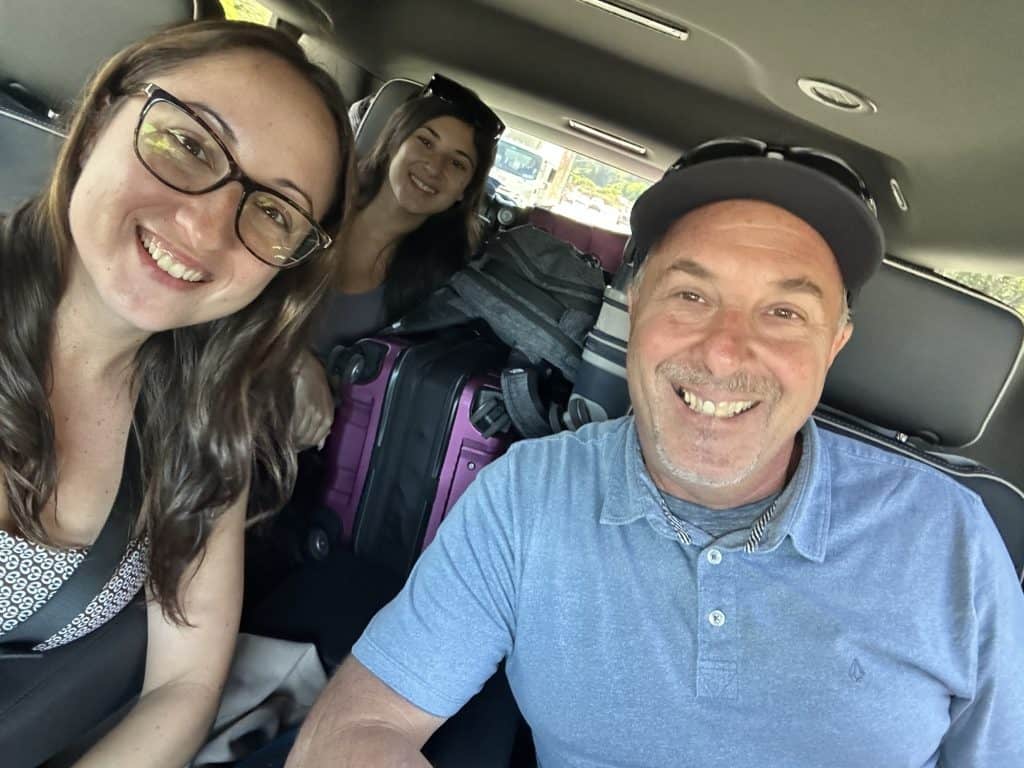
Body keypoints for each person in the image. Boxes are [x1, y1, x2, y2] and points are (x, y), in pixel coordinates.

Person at [286, 139, 1024, 767]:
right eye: (691, 296)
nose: (725, 351)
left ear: (834, 345)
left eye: (784, 312)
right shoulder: (528, 496)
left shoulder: (950, 539)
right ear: (634, 309)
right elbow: (359, 726)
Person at [0, 20, 354, 767]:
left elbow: (185, 685)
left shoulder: (204, 422)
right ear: (101, 118)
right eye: (189, 144)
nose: (206, 225)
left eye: (274, 211)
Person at [291, 75, 502, 449]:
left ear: (464, 192)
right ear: (394, 142)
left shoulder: (441, 285)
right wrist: (297, 362)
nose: (434, 167)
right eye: (425, 142)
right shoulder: (315, 204)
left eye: (457, 163)